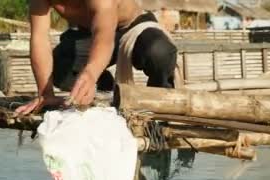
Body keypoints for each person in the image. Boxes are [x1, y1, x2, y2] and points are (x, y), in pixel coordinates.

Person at [15, 0, 178, 115]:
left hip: (131, 26)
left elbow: (103, 36)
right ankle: (105, 91)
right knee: (59, 66)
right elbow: (39, 37)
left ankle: (161, 96)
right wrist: (45, 94)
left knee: (159, 52)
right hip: (87, 33)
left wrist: (90, 73)